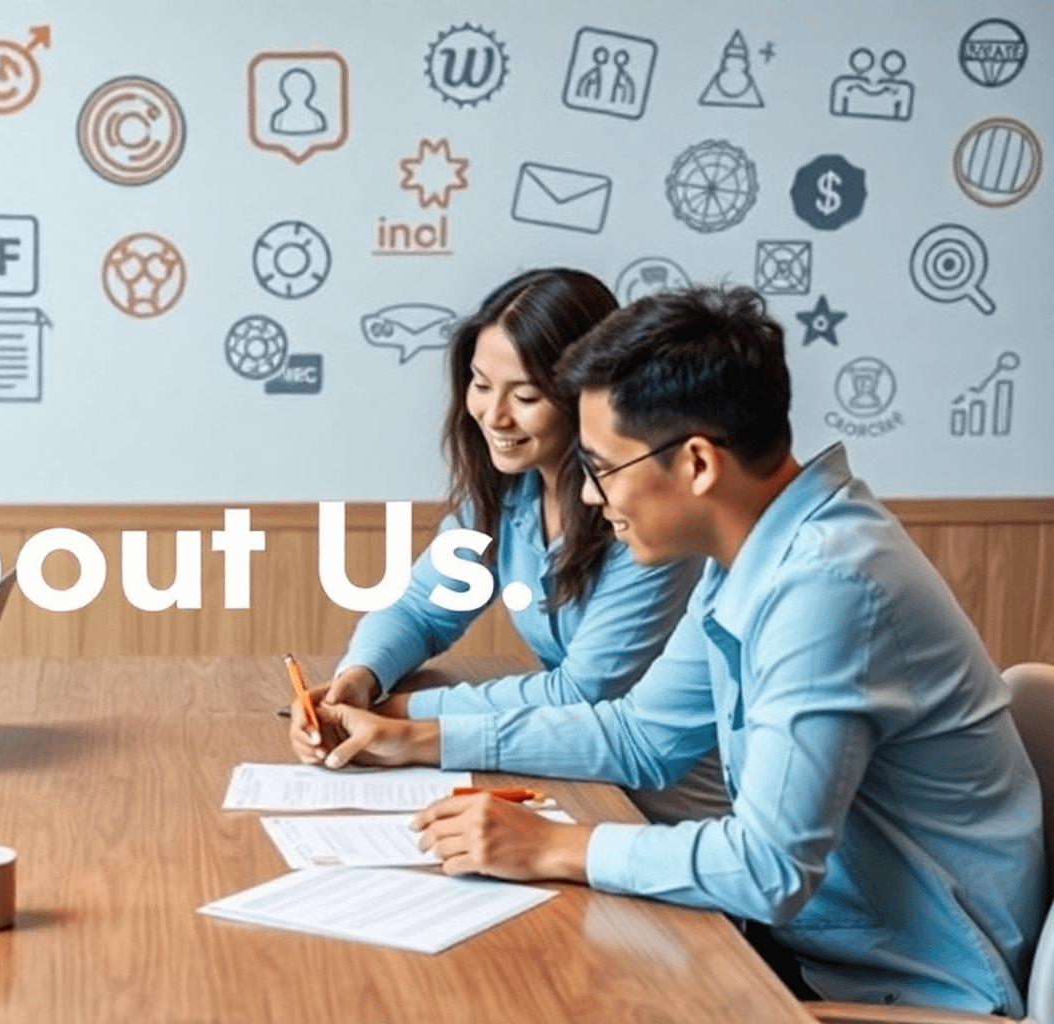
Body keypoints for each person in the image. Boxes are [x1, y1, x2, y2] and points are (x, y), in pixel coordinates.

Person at [301, 285, 1043, 1015]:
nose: (590, 497)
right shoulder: (758, 554)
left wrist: (555, 849)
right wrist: (412, 740)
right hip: (814, 947)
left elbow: (767, 868)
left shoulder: (827, 588)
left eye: (603, 467)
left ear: (695, 463)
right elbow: (641, 736)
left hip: (908, 986)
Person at [297, 268, 719, 822]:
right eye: (479, 384)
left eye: (524, 395)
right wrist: (361, 677)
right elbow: (421, 609)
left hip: (672, 812)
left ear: (586, 397)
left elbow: (582, 693)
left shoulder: (645, 518)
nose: (493, 416)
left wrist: (400, 713)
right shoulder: (507, 496)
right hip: (574, 781)